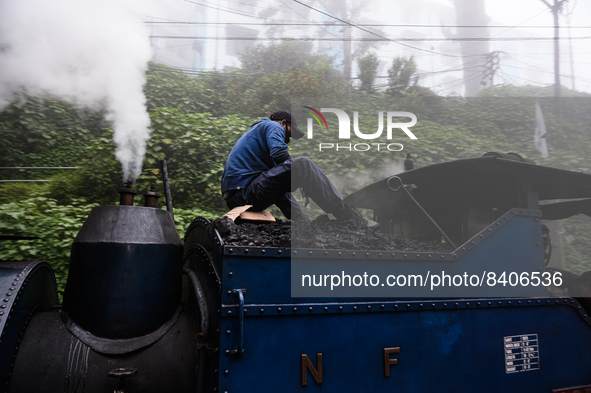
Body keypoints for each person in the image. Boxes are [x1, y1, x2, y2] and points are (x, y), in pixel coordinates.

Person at [220, 110, 378, 229]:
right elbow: (279, 152)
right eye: (289, 133)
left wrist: (302, 221)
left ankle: (308, 219)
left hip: (238, 198)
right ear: (283, 123)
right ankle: (347, 217)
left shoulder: (259, 154)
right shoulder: (272, 125)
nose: (287, 139)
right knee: (303, 164)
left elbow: (280, 193)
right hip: (244, 193)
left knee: (292, 173)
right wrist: (300, 177)